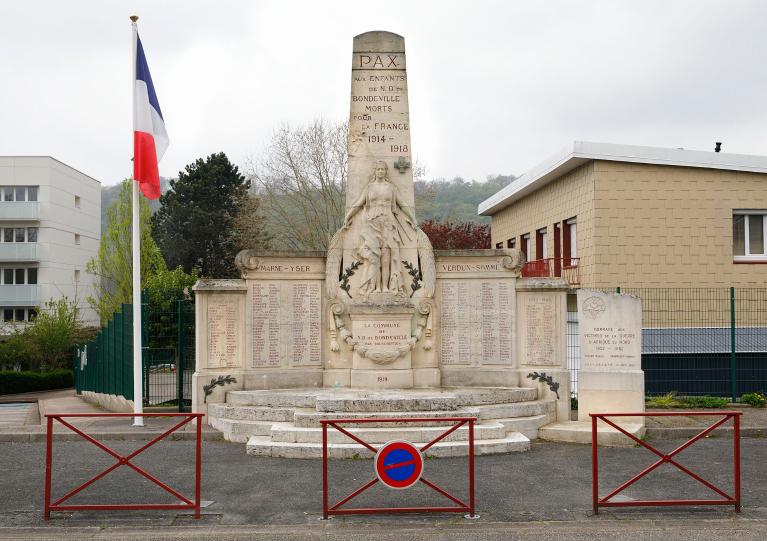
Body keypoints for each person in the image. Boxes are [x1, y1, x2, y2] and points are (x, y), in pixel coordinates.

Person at [343, 160, 417, 294]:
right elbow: (358, 204)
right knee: (374, 257)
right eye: (378, 169)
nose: (381, 171)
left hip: (388, 224)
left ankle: (385, 287)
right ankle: (375, 287)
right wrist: (348, 216)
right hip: (371, 224)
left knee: (387, 257)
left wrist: (413, 218)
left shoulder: (391, 188)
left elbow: (403, 204)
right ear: (375, 171)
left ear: (386, 171)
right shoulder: (369, 188)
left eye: (383, 169)